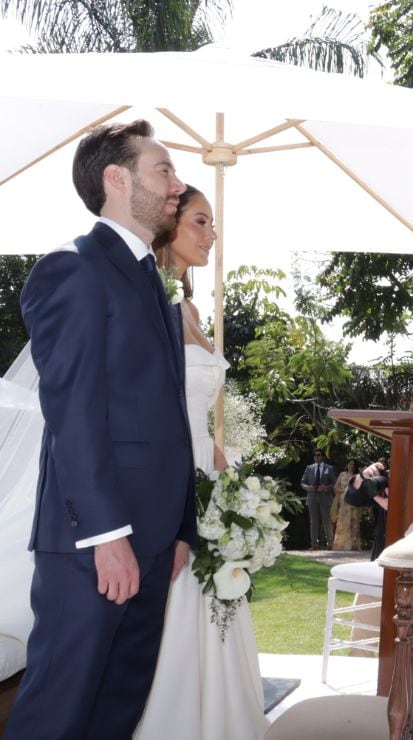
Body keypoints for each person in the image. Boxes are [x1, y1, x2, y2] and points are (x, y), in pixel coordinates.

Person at [5, 120, 195, 739]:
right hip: (95, 547)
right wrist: (108, 535)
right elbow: (74, 412)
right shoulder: (73, 270)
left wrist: (179, 529)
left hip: (153, 541)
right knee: (58, 714)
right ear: (118, 179)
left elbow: (164, 420)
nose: (178, 184)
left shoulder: (150, 281)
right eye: (164, 170)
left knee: (116, 713)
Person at [133, 185, 267, 739]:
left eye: (212, 223)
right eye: (200, 221)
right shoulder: (146, 303)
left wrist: (223, 471)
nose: (211, 233)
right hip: (167, 475)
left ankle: (221, 718)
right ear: (169, 226)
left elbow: (195, 405)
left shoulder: (187, 305)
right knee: (178, 596)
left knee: (215, 592)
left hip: (205, 471)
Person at [301, 449, 337, 550]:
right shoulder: (309, 468)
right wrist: (308, 488)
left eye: (318, 455)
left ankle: (330, 543)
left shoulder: (329, 468)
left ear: (323, 456)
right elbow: (302, 482)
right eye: (315, 455)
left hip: (325, 498)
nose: (316, 457)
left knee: (327, 521)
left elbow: (334, 483)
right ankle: (314, 545)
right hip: (312, 498)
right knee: (314, 522)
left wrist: (326, 488)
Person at [331, 460, 363, 551]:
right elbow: (335, 487)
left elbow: (360, 489)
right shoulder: (342, 474)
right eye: (350, 464)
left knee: (354, 522)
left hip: (353, 501)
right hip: (343, 502)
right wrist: (344, 491)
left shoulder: (357, 476)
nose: (351, 466)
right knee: (343, 523)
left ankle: (353, 545)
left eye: (353, 464)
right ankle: (341, 545)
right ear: (347, 465)